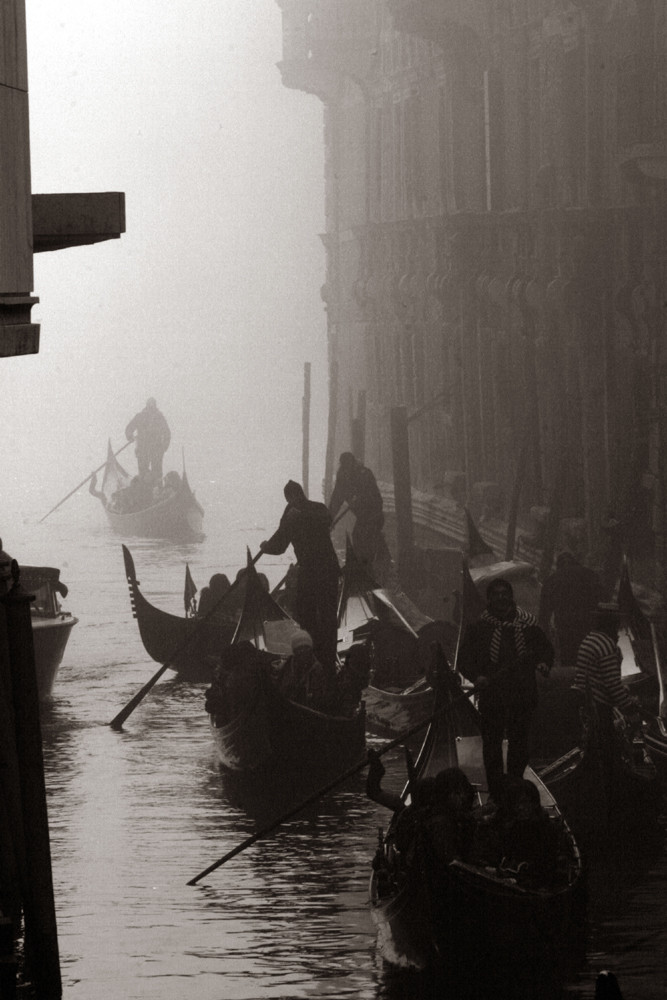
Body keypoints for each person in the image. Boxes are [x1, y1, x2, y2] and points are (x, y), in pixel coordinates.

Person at [457, 578, 554, 803]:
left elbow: (546, 649)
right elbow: (464, 660)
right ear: (489, 599)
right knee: (492, 744)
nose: (501, 598)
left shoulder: (528, 625)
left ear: (511, 597)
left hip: (522, 693)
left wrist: (543, 664)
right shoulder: (479, 628)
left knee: (519, 743)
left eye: (505, 594)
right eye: (496, 594)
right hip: (493, 694)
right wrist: (477, 677)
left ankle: (516, 785)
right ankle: (497, 791)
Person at [260, 480, 340, 670]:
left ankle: (315, 657)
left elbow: (279, 545)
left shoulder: (293, 513)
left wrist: (265, 547)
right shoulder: (317, 508)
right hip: (327, 569)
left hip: (313, 571)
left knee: (306, 614)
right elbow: (327, 521)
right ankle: (325, 656)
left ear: (290, 497)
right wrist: (268, 546)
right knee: (325, 614)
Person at [572, 604, 642, 790]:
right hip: (599, 707)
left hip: (587, 704)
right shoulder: (606, 645)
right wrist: (629, 706)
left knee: (594, 749)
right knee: (606, 751)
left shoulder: (590, 639)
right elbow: (612, 684)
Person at [328, 452, 391, 578]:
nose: (346, 470)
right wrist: (329, 520)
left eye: (348, 466)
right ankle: (365, 571)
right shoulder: (342, 478)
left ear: (353, 464)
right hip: (362, 517)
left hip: (374, 515)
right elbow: (336, 501)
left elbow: (376, 500)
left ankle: (373, 571)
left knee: (363, 538)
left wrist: (361, 499)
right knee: (359, 538)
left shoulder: (365, 474)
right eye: (344, 467)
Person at [538, 551, 604, 666]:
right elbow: (603, 602)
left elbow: (544, 615)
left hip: (566, 628)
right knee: (590, 660)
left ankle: (571, 680)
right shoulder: (591, 575)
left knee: (569, 661)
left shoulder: (552, 580)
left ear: (558, 566)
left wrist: (545, 638)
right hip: (589, 626)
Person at [277, 630, 333, 712]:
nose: (302, 651)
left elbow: (321, 697)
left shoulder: (317, 669)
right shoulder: (285, 667)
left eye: (305, 647)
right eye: (299, 648)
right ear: (294, 651)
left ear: (311, 649)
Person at [125, 398, 171, 481]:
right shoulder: (141, 416)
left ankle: (155, 490)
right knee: (143, 473)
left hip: (156, 450)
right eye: (150, 404)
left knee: (156, 473)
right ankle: (144, 490)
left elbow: (167, 433)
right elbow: (129, 429)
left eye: (152, 404)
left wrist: (163, 448)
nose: (151, 406)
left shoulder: (159, 418)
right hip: (143, 450)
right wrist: (130, 436)